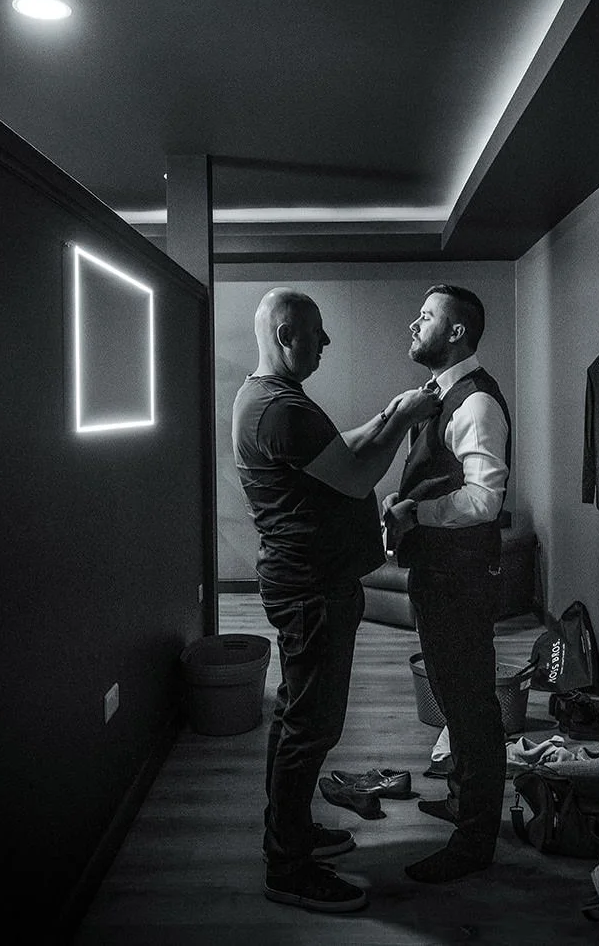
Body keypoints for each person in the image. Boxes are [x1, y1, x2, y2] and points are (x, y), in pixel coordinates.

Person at [232, 287, 440, 914]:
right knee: (312, 727)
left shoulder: (267, 397)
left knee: (297, 718)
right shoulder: (280, 409)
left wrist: (383, 417)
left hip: (306, 584)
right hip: (312, 589)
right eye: (316, 333)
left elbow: (333, 452)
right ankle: (288, 868)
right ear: (286, 334)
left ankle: (290, 834)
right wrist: (403, 420)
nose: (325, 342)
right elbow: (355, 475)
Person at [383, 284, 512, 884]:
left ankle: (475, 840)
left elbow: (485, 499)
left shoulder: (476, 402)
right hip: (439, 574)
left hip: (460, 577)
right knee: (451, 692)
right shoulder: (438, 396)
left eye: (426, 315)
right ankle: (463, 800)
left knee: (471, 704)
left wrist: (417, 513)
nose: (415, 323)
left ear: (456, 331)